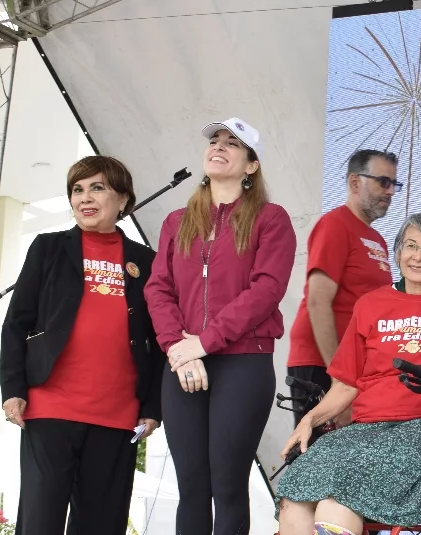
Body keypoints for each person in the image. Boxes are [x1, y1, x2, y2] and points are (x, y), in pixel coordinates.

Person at [275, 211, 421, 535]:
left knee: (336, 501)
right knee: (295, 493)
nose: (417, 256)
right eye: (410, 245)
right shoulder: (370, 305)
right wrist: (309, 420)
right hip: (364, 432)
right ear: (398, 252)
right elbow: (346, 384)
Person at [144, 117, 298, 534]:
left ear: (251, 165)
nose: (220, 146)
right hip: (182, 362)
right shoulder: (177, 221)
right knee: (191, 486)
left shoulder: (271, 219)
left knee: (227, 484)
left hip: (243, 363)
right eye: (215, 140)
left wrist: (205, 343)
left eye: (233, 143)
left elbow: (266, 290)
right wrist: (178, 347)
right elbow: (158, 289)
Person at [0, 156, 163, 534]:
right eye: (77, 189)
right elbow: (16, 323)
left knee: (101, 526)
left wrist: (152, 407)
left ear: (123, 199)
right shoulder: (48, 248)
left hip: (118, 414)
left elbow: (158, 342)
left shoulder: (146, 261)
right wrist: (13, 390)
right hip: (50, 406)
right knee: (40, 523)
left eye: (98, 187)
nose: (85, 198)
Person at [286, 149, 399, 426]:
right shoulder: (335, 225)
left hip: (354, 370)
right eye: (383, 182)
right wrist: (338, 379)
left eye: (395, 184)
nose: (391, 191)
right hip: (322, 363)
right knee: (319, 461)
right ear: (355, 182)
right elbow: (318, 301)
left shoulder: (377, 239)